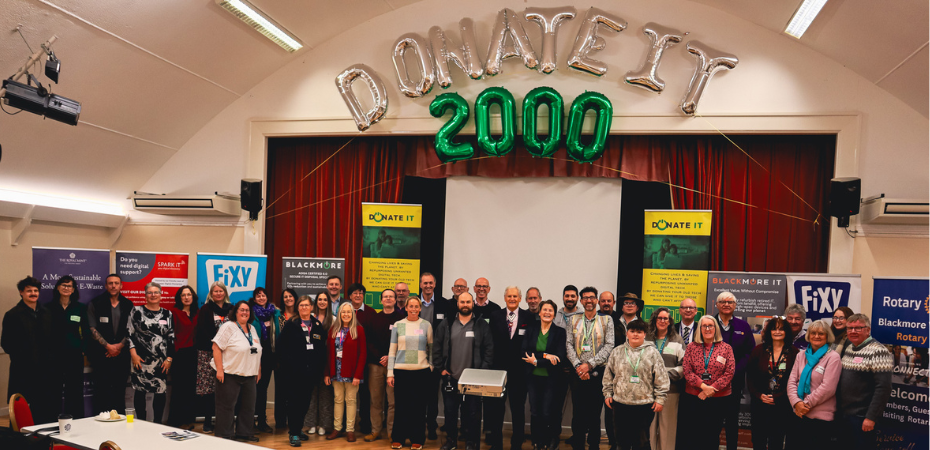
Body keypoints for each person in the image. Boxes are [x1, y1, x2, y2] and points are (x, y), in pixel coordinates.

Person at [434, 292, 493, 450]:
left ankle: (471, 442)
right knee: (450, 412)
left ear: (472, 303)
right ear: (457, 304)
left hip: (473, 380)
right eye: (462, 302)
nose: (465, 304)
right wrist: (440, 368)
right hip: (451, 378)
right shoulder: (447, 323)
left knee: (472, 414)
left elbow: (489, 350)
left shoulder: (481, 324)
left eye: (468, 301)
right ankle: (451, 441)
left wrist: (481, 373)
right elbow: (437, 346)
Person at [602, 320, 669, 450]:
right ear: (627, 333)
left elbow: (661, 377)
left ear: (644, 334)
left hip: (644, 404)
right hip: (620, 404)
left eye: (639, 332)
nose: (635, 334)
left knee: (642, 442)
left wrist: (660, 398)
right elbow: (608, 375)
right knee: (621, 442)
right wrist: (607, 393)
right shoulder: (617, 352)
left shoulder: (653, 353)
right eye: (632, 331)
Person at [565, 286, 615, 450]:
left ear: (597, 301)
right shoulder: (573, 320)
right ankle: (578, 444)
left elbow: (609, 346)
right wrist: (579, 366)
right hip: (578, 373)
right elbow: (568, 345)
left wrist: (590, 364)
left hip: (598, 372)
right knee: (578, 413)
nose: (588, 300)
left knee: (595, 413)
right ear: (581, 300)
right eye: (585, 297)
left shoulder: (607, 320)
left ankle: (594, 445)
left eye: (592, 297)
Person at [1, 276, 55, 424]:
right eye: (29, 291)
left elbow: (53, 340)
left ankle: (42, 439)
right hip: (23, 369)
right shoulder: (12, 315)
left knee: (44, 406)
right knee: (21, 406)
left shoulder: (47, 313)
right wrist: (23, 357)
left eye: (36, 290)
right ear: (21, 293)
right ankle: (19, 440)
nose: (33, 293)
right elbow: (6, 343)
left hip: (45, 369)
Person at [835, 313, 893, 450]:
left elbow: (883, 388)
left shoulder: (879, 351)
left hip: (862, 418)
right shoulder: (849, 347)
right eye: (849, 328)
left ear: (868, 330)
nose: (853, 331)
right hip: (844, 415)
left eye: (858, 328)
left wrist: (871, 417)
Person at [678, 315, 735, 450]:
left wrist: (711, 389)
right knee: (693, 435)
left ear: (716, 329)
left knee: (712, 435)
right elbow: (687, 370)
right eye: (704, 326)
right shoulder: (692, 347)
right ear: (700, 329)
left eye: (711, 326)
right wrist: (703, 387)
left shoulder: (726, 348)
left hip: (718, 400)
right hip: (694, 397)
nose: (708, 329)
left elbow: (729, 372)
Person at [487, 286, 533, 450]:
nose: (512, 299)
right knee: (496, 410)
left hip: (520, 372)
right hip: (498, 371)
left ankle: (516, 444)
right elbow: (490, 342)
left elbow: (531, 343)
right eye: (509, 296)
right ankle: (496, 444)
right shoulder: (496, 315)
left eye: (515, 296)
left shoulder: (529, 317)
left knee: (518, 410)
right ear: (505, 298)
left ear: (520, 298)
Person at [278, 295, 327, 447]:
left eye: (307, 305)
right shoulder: (291, 325)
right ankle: (293, 433)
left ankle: (298, 429)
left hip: (310, 373)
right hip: (293, 373)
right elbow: (281, 347)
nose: (304, 308)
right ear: (298, 308)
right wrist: (288, 366)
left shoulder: (317, 325)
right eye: (301, 305)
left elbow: (321, 350)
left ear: (312, 307)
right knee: (294, 403)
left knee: (305, 403)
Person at [786, 320, 841, 449]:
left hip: (820, 419)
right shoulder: (801, 355)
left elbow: (828, 388)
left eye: (821, 333)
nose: (816, 336)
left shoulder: (833, 357)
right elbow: (792, 381)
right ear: (808, 335)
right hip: (798, 414)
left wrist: (805, 404)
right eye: (813, 333)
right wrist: (796, 403)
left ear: (827, 336)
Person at [388, 296, 434, 450]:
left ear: (420, 308)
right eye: (411, 306)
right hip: (401, 372)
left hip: (421, 372)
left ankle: (417, 439)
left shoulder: (426, 325)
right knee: (401, 407)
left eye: (416, 306)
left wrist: (431, 366)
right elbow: (392, 350)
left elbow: (432, 349)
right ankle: (398, 438)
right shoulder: (398, 325)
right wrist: (390, 372)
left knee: (419, 407)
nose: (414, 309)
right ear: (406, 308)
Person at [212, 301, 262, 442]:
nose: (244, 312)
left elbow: (257, 350)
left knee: (249, 406)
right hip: (229, 373)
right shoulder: (228, 326)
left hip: (250, 374)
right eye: (241, 310)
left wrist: (258, 369)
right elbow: (216, 347)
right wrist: (219, 370)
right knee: (226, 407)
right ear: (236, 312)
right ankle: (224, 435)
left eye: (247, 310)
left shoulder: (252, 329)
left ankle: (244, 433)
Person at [746, 316, 798, 450]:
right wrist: (758, 395)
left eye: (781, 329)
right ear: (769, 331)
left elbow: (795, 380)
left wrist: (778, 397)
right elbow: (750, 376)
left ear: (786, 331)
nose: (777, 332)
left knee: (777, 441)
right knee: (758, 440)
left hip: (782, 405)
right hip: (760, 404)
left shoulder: (794, 353)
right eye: (774, 329)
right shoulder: (759, 350)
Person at [521, 300, 567, 450]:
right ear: (539, 313)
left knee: (547, 411)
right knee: (535, 411)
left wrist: (537, 361)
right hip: (532, 377)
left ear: (554, 314)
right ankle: (536, 442)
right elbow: (525, 352)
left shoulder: (560, 332)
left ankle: (548, 440)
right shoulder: (531, 329)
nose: (547, 313)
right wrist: (546, 356)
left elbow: (559, 357)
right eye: (545, 310)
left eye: (550, 310)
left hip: (551, 378)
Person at [87, 273, 134, 415]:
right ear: (106, 286)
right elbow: (92, 328)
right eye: (110, 283)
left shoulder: (128, 304)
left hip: (122, 355)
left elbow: (132, 328)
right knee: (102, 391)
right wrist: (108, 346)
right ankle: (100, 424)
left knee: (119, 391)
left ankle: (119, 423)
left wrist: (119, 346)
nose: (113, 286)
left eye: (116, 283)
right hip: (102, 356)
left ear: (121, 285)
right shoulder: (95, 303)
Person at [128, 282, 175, 424]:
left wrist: (169, 359)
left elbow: (171, 337)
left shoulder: (167, 314)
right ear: (145, 295)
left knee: (160, 393)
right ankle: (141, 424)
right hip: (140, 359)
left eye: (156, 292)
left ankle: (157, 425)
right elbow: (129, 334)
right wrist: (134, 355)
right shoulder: (136, 311)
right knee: (140, 392)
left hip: (161, 362)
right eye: (150, 292)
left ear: (161, 295)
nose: (153, 295)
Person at [713, 291, 754, 450]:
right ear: (717, 304)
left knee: (731, 420)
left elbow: (749, 352)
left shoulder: (743, 326)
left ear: (735, 305)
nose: (726, 304)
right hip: (711, 383)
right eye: (722, 301)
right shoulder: (708, 323)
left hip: (734, 382)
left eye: (730, 302)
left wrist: (734, 370)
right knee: (712, 420)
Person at [365, 289, 405, 442]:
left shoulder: (402, 319)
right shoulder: (373, 318)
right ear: (381, 301)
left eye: (391, 297)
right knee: (376, 400)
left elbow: (404, 342)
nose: (388, 299)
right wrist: (380, 357)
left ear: (395, 300)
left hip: (395, 367)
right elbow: (368, 341)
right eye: (385, 297)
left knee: (393, 402)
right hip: (375, 365)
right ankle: (375, 431)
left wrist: (391, 357)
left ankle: (391, 432)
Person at [47, 275, 90, 419]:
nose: (66, 288)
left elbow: (86, 331)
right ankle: (53, 421)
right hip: (53, 356)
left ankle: (76, 421)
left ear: (73, 290)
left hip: (74, 355)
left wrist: (84, 349)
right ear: (58, 288)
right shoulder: (48, 308)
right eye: (63, 285)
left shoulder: (80, 308)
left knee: (75, 389)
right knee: (53, 389)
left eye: (69, 286)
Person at [194, 281, 233, 432]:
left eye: (220, 291)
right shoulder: (205, 309)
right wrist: (216, 344)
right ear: (211, 293)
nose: (218, 293)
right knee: (209, 389)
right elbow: (202, 330)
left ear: (225, 293)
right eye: (215, 291)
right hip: (207, 352)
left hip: (228, 353)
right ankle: (208, 421)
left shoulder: (232, 309)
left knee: (226, 388)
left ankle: (223, 421)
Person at [325, 302, 367, 442]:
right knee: (337, 400)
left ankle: (350, 430)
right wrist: (327, 373)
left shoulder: (359, 330)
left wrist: (358, 375)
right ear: (339, 314)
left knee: (351, 400)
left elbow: (363, 354)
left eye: (349, 312)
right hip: (336, 371)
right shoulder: (333, 329)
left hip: (352, 372)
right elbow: (328, 353)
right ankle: (337, 428)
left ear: (353, 314)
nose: (346, 314)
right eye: (343, 312)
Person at [646, 307, 685, 450]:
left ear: (670, 322)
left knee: (667, 428)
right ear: (654, 320)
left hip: (670, 391)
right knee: (648, 428)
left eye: (666, 318)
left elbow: (683, 365)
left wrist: (663, 378)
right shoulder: (646, 339)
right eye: (660, 318)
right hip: (647, 391)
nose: (663, 321)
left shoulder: (677, 340)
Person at [419, 272, 451, 440]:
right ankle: (417, 428)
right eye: (425, 283)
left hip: (435, 356)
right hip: (416, 356)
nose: (428, 286)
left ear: (435, 284)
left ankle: (431, 427)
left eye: (431, 283)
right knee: (417, 395)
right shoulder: (414, 303)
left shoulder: (443, 304)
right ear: (420, 285)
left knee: (432, 395)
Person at [249, 287, 283, 432]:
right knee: (254, 390)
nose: (261, 298)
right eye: (258, 296)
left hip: (272, 356)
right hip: (255, 356)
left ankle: (262, 421)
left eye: (263, 295)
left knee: (263, 390)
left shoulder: (276, 312)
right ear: (255, 299)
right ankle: (250, 421)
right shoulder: (251, 313)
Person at [167, 285, 199, 428]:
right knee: (179, 388)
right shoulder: (173, 313)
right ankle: (176, 420)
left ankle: (188, 419)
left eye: (189, 294)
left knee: (190, 388)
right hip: (179, 354)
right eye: (183, 295)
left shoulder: (197, 313)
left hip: (194, 354)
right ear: (179, 298)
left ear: (193, 297)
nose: (186, 297)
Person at [306, 292, 336, 436]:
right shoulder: (309, 318)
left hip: (328, 360)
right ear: (315, 302)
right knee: (311, 394)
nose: (322, 302)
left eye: (325, 300)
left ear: (328, 303)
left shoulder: (334, 319)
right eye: (320, 299)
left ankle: (324, 425)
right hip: (311, 360)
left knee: (326, 395)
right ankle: (311, 424)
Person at [345, 283, 372, 436]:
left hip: (364, 360)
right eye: (354, 292)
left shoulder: (370, 312)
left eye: (361, 292)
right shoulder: (344, 311)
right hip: (346, 361)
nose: (358, 295)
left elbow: (372, 338)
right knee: (346, 395)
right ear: (349, 296)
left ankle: (365, 423)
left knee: (364, 394)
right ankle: (346, 426)